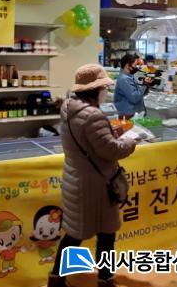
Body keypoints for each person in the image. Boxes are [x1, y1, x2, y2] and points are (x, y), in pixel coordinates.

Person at [50, 64, 137, 287]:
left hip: (76, 180)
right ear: (95, 89)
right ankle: (105, 279)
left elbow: (89, 140)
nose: (106, 91)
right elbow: (111, 150)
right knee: (106, 234)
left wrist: (110, 131)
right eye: (104, 88)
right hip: (96, 186)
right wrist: (131, 141)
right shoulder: (93, 115)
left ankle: (56, 279)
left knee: (74, 234)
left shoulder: (69, 108)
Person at [113, 53, 152, 118]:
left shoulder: (130, 77)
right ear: (127, 65)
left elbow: (137, 93)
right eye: (135, 65)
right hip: (128, 116)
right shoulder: (124, 79)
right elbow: (134, 98)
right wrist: (144, 85)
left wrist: (146, 87)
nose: (137, 67)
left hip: (132, 114)